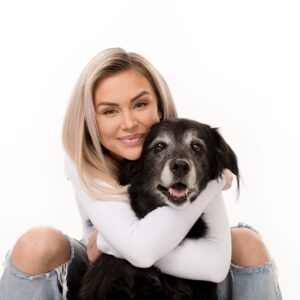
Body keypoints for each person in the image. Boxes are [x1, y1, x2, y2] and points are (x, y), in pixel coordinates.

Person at [0, 48, 282, 300]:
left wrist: (109, 242)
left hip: (179, 269)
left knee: (247, 242)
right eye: (110, 111)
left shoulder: (195, 154)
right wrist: (213, 182)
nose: (129, 123)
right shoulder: (82, 159)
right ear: (90, 120)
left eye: (140, 104)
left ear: (158, 106)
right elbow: (140, 250)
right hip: (100, 268)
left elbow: (213, 265)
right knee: (37, 243)